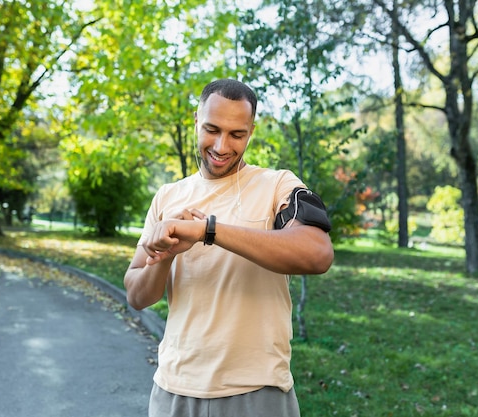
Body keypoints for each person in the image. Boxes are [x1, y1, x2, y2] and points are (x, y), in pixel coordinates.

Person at [124, 78, 334, 417]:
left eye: (237, 134)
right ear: (196, 121)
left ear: (252, 130)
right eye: (211, 129)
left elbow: (317, 253)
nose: (222, 146)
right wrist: (165, 254)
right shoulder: (167, 196)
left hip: (256, 392)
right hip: (173, 390)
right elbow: (137, 296)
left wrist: (209, 230)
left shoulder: (278, 185)